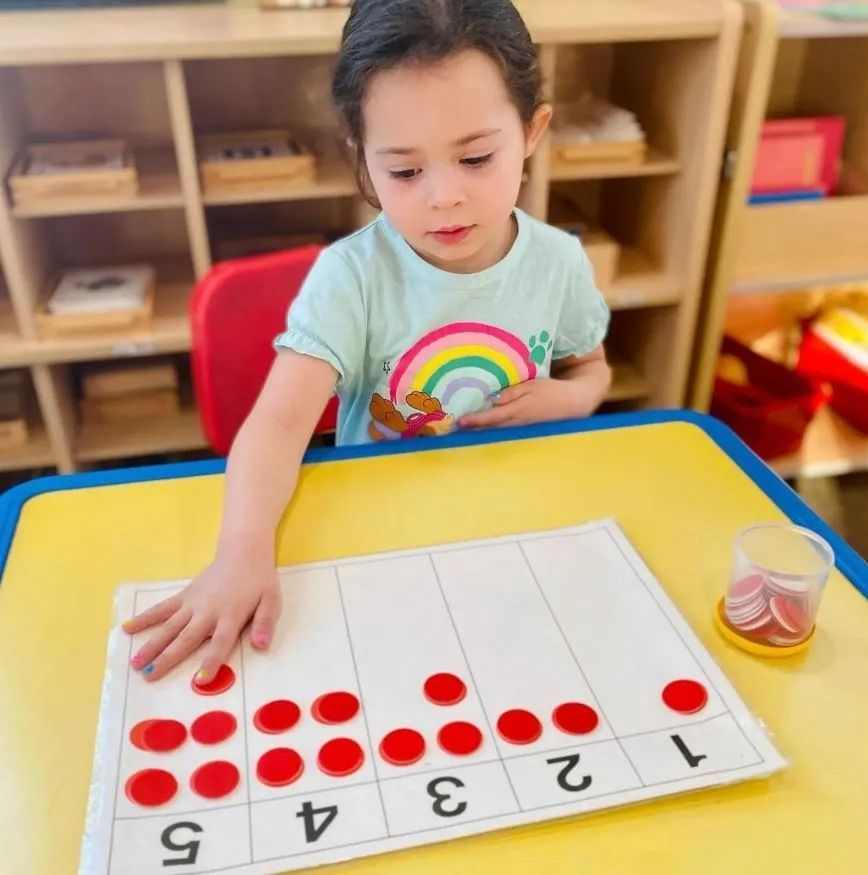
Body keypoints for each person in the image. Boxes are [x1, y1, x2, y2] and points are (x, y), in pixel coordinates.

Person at [123, 0, 611, 682]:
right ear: (362, 158)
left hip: (508, 524)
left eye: (475, 156)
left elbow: (593, 371)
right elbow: (277, 424)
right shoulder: (351, 278)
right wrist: (241, 550)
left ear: (532, 132)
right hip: (379, 540)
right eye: (405, 171)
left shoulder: (558, 262)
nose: (444, 196)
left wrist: (570, 396)